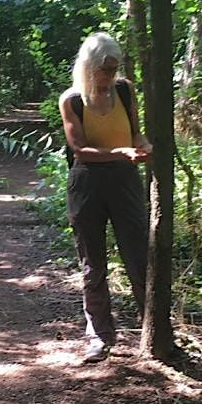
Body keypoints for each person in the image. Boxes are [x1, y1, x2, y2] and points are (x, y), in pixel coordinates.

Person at [59, 32, 151, 361]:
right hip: (87, 184)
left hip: (125, 180)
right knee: (93, 265)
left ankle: (152, 329)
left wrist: (142, 144)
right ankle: (99, 336)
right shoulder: (71, 100)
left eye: (114, 68)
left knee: (139, 257)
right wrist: (121, 152)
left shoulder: (125, 91)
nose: (110, 75)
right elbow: (80, 149)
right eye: (104, 69)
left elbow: (135, 130)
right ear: (89, 67)